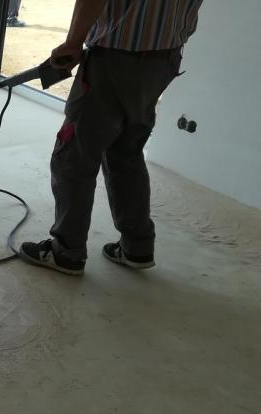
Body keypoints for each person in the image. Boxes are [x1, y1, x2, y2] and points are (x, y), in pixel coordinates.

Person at [19, 0, 204, 276]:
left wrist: (73, 43)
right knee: (126, 152)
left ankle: (66, 253)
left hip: (115, 57)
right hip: (164, 59)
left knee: (75, 155)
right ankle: (137, 247)